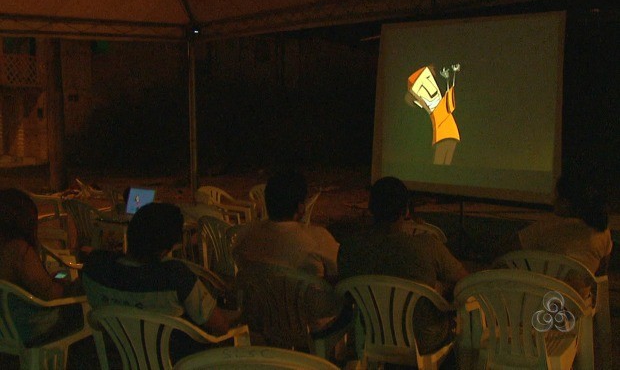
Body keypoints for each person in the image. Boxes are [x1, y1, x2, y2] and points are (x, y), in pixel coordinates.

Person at [338, 176, 468, 355]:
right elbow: (466, 282)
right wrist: (442, 288)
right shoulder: (427, 246)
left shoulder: (349, 248)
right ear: (406, 211)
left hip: (370, 335)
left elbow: (347, 294)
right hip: (423, 339)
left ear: (371, 208)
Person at [82, 203, 231, 341]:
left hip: (115, 354)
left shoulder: (95, 266)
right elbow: (220, 326)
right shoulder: (175, 276)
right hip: (172, 360)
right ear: (166, 249)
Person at [232, 170, 341, 327]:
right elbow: (337, 273)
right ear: (300, 207)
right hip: (311, 324)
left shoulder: (245, 235)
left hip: (262, 320)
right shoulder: (318, 238)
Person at [0, 188, 82, 345]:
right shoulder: (19, 251)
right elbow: (51, 295)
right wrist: (64, 285)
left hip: (5, 326)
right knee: (82, 301)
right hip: (28, 326)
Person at [512, 171, 612, 280]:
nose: (553, 201)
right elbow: (601, 275)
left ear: (566, 204)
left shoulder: (545, 226)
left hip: (541, 295)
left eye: (557, 197)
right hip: (577, 296)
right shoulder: (602, 232)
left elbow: (505, 251)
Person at [404, 64, 461, 165]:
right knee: (440, 164)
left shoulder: (442, 103)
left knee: (443, 164)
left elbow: (450, 101)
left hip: (449, 135)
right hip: (443, 137)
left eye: (428, 79)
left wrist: (451, 77)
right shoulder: (434, 110)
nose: (429, 89)